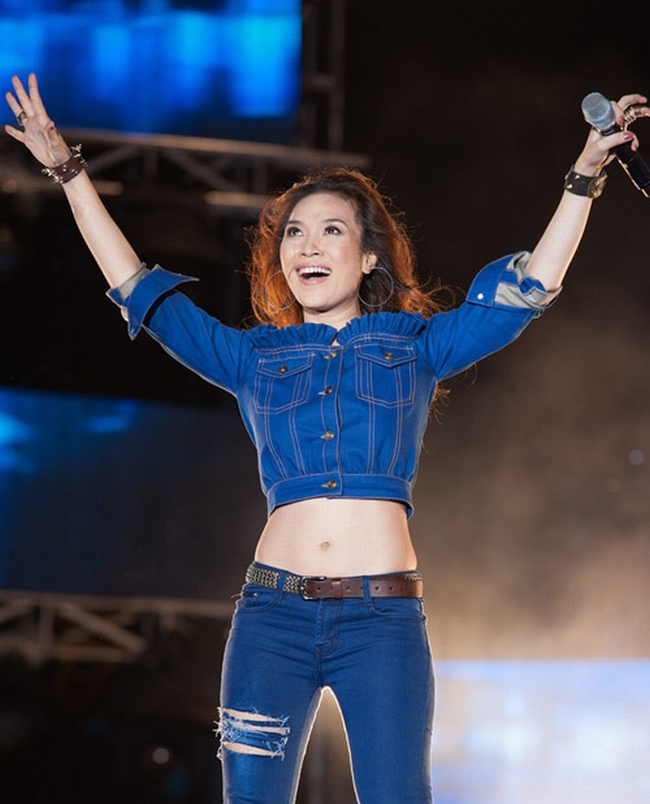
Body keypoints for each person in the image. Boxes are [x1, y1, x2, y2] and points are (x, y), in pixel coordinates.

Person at [4, 73, 647, 804]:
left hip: (383, 623)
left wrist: (584, 175)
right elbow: (138, 288)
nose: (307, 247)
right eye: (294, 234)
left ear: (369, 256)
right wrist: (69, 171)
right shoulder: (252, 358)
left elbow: (529, 288)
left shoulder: (415, 346)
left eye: (331, 230)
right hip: (269, 620)